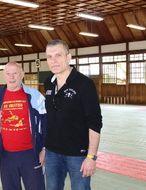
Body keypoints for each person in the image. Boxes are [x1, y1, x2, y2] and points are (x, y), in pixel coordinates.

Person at [43, 40, 103, 190]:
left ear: (68, 57)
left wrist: (91, 157)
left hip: (78, 155)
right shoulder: (48, 83)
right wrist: (44, 148)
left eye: (58, 55)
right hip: (52, 153)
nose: (53, 60)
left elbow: (95, 121)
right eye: (49, 57)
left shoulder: (84, 84)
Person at [0, 62, 47, 190]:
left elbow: (46, 123)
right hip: (6, 156)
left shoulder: (35, 96)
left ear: (22, 75)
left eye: (15, 73)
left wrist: (43, 148)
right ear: (4, 76)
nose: (12, 77)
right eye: (8, 74)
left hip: (31, 154)